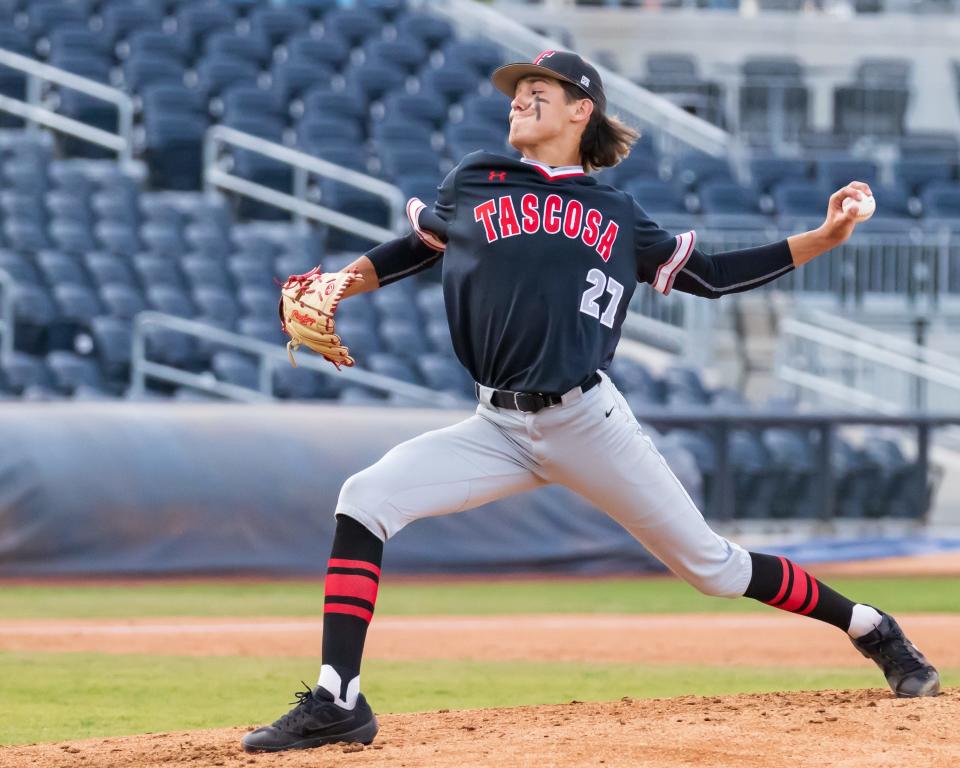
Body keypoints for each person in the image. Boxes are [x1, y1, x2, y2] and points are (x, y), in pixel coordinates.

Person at [242, 51, 940, 754]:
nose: (519, 99)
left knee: (714, 568)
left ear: (583, 110)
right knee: (365, 498)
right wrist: (340, 282)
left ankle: (871, 627)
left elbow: (715, 277)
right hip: (496, 424)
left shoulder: (616, 213)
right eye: (518, 91)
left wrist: (824, 238)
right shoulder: (479, 179)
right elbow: (414, 249)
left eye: (537, 90)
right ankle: (340, 697)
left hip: (587, 421)